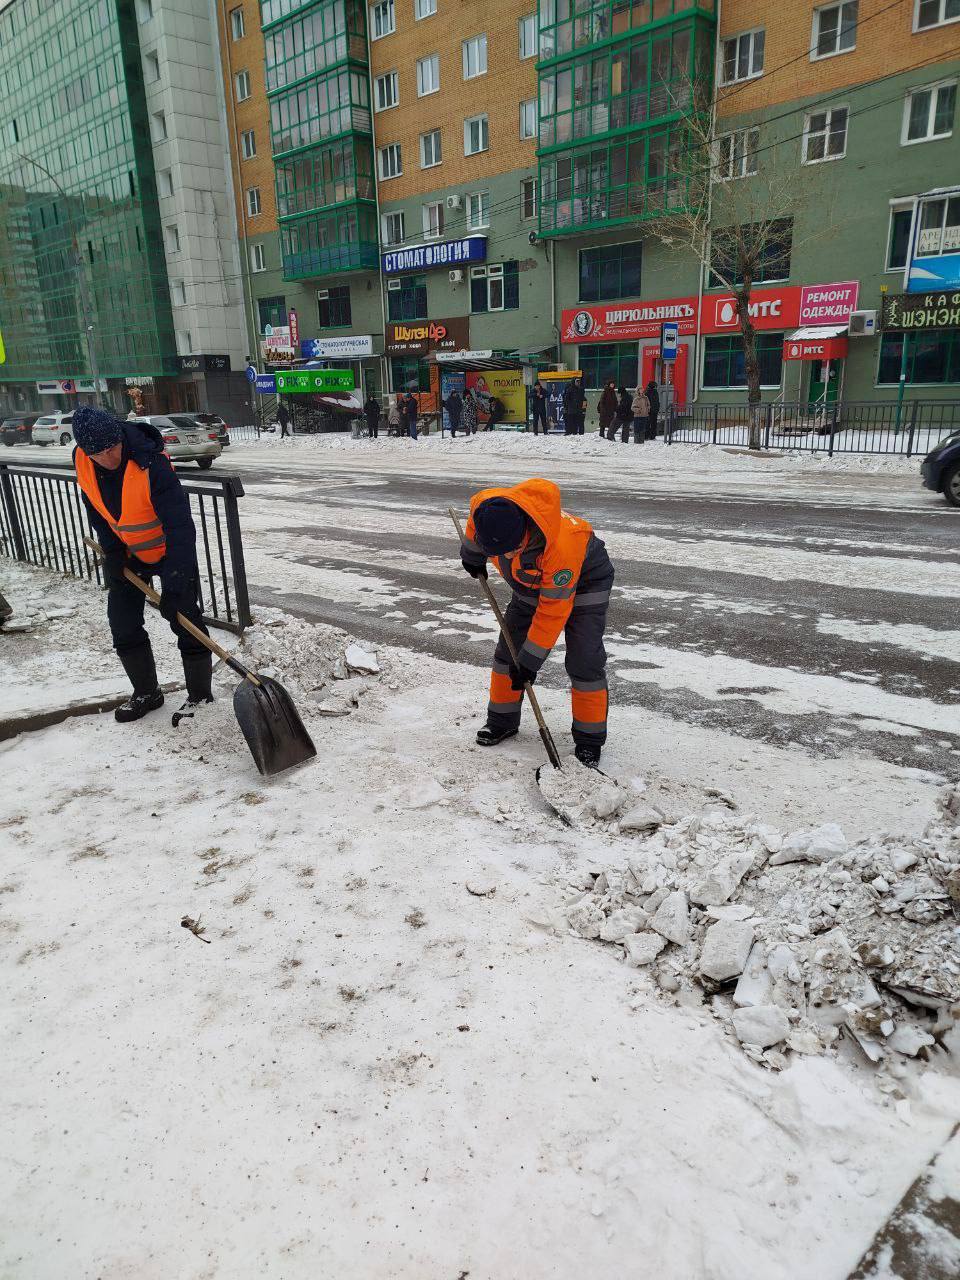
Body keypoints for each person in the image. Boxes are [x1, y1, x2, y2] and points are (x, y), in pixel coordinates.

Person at [71, 405, 213, 726]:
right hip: (128, 553)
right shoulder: (83, 460)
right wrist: (113, 551)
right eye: (98, 453)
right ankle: (147, 692)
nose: (109, 458)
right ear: (85, 451)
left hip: (170, 551)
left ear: (119, 436)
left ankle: (200, 697)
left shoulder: (151, 463)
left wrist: (175, 582)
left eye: (112, 448)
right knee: (122, 622)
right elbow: (95, 508)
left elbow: (180, 526)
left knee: (184, 616)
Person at [459, 478, 615, 767]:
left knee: (584, 659)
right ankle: (502, 720)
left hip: (585, 581)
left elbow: (552, 613)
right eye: (497, 551)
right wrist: (472, 555)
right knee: (508, 653)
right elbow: (472, 525)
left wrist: (530, 662)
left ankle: (589, 740)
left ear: (525, 533)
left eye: (512, 549)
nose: (506, 556)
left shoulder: (562, 548)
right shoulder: (488, 507)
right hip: (530, 581)